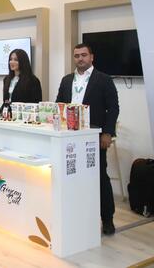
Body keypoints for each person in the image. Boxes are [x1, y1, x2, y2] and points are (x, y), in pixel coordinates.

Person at [56, 43, 120, 235]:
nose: (80, 59)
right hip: (68, 136)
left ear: (91, 57)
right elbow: (59, 103)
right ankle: (77, 217)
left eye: (84, 55)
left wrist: (107, 133)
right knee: (71, 176)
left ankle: (107, 219)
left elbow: (113, 108)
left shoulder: (104, 79)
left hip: (94, 136)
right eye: (76, 56)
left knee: (99, 177)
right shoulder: (67, 80)